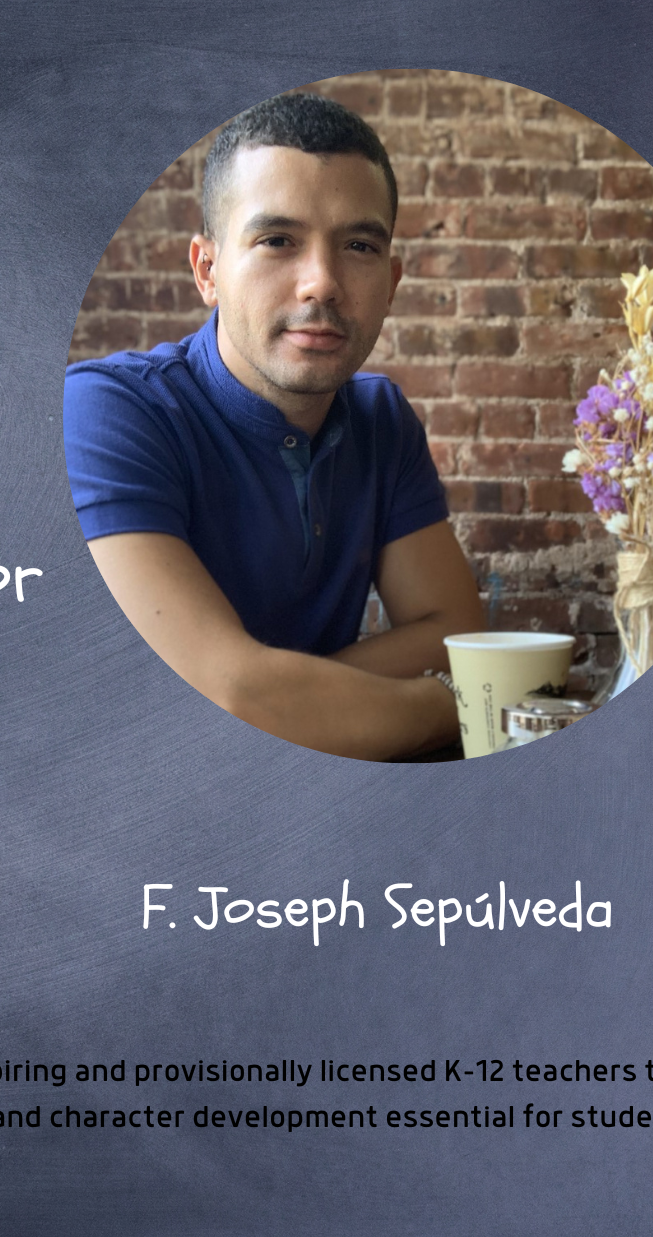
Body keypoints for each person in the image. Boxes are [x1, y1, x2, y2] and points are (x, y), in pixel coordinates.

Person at [64, 93, 486, 761]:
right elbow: (230, 697)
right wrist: (454, 707)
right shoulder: (108, 411)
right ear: (207, 270)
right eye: (277, 241)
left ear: (393, 280)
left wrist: (286, 699)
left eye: (358, 245)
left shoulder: (381, 420)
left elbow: (457, 631)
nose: (321, 282)